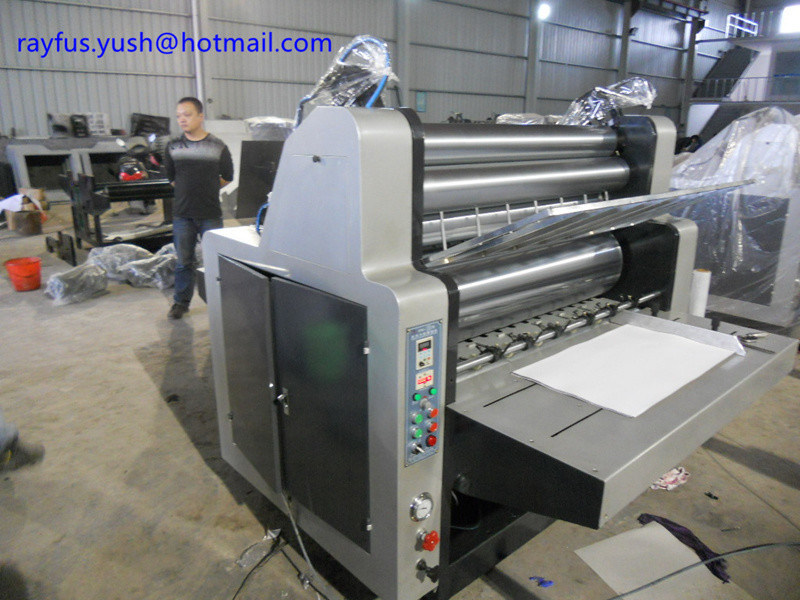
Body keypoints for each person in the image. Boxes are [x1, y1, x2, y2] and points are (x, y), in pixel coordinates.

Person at [164, 96, 234, 320]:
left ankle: (220, 301)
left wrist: (208, 188)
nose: (182, 120)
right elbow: (171, 178)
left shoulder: (217, 146)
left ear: (200, 116)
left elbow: (228, 176)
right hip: (182, 215)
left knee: (215, 261)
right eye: (178, 116)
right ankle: (180, 303)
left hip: (210, 214)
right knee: (184, 262)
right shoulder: (173, 147)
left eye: (187, 115)